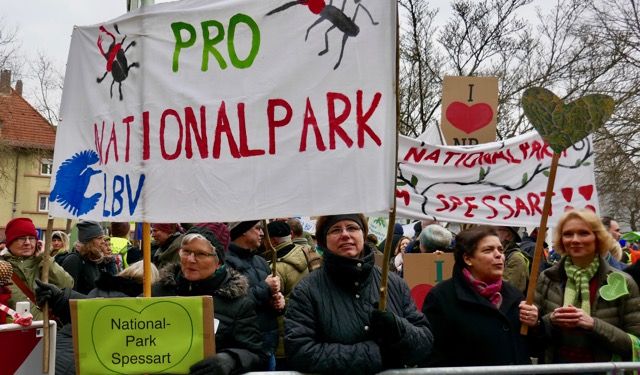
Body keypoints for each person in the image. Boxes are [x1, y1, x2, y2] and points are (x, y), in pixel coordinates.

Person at [285, 214, 433, 374]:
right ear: (323, 240)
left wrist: (399, 328)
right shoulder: (307, 291)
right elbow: (300, 352)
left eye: (352, 228)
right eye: (335, 230)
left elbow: (424, 343)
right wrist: (375, 355)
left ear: (363, 234)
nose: (345, 234)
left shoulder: (394, 283)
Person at [152, 227, 267, 374]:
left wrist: (229, 360)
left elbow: (256, 354)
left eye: (201, 254)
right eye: (186, 251)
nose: (190, 259)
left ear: (218, 262)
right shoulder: (156, 293)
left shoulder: (237, 303)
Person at [422, 225, 538, 366]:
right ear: (468, 258)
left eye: (500, 250)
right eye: (488, 250)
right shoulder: (441, 297)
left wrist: (535, 324)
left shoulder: (515, 295)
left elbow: (533, 347)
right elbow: (433, 355)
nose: (498, 255)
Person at [535, 209, 640, 364]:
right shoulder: (548, 278)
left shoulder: (623, 282)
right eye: (568, 234)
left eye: (583, 233)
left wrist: (593, 324)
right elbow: (533, 339)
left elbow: (635, 344)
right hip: (556, 368)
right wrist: (549, 320)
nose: (575, 240)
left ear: (598, 238)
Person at [35, 261, 160, 375]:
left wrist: (61, 298)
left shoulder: (102, 290)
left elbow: (89, 311)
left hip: (56, 353)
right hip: (81, 363)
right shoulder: (138, 305)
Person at [226, 220, 283, 370]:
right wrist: (265, 287)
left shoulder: (260, 260)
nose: (263, 233)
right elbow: (231, 305)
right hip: (242, 349)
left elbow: (267, 300)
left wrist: (278, 302)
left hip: (268, 345)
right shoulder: (225, 263)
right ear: (243, 231)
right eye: (258, 228)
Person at [0, 217, 73, 320]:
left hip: (49, 330)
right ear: (10, 242)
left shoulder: (43, 261)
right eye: (21, 238)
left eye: (31, 238)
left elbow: (67, 284)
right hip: (16, 332)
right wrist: (12, 322)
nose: (27, 242)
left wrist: (45, 257)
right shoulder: (2, 267)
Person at [266, 221, 310, 370]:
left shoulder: (275, 268)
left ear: (272, 241)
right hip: (308, 333)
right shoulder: (308, 253)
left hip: (284, 338)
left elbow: (275, 304)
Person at [60, 221, 108, 294]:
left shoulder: (93, 259)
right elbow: (68, 294)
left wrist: (110, 261)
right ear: (89, 241)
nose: (103, 242)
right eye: (99, 238)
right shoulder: (73, 260)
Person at [496, 226, 529, 293]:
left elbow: (507, 289)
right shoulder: (503, 254)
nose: (495, 232)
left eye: (499, 229)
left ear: (508, 235)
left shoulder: (516, 258)